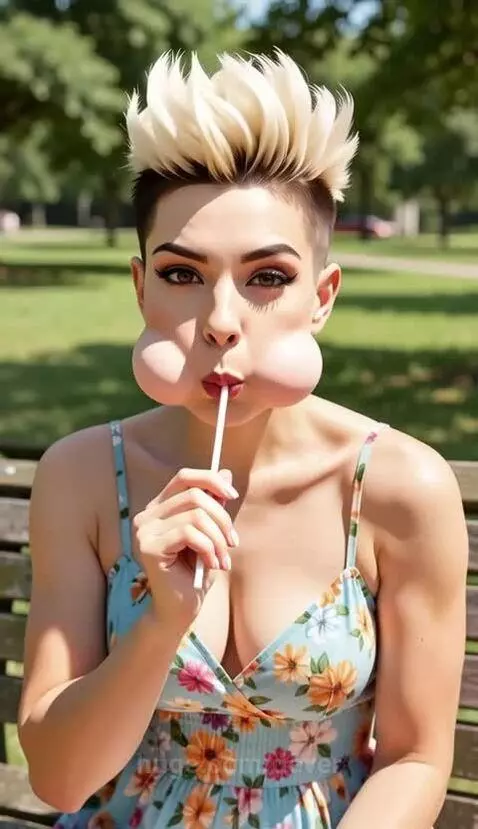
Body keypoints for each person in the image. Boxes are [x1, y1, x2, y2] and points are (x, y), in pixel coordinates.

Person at [18, 51, 468, 829]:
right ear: (140, 289)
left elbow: (416, 757)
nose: (222, 318)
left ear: (321, 297)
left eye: (267, 277)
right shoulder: (85, 476)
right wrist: (158, 622)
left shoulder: (398, 489)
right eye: (184, 275)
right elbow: (58, 780)